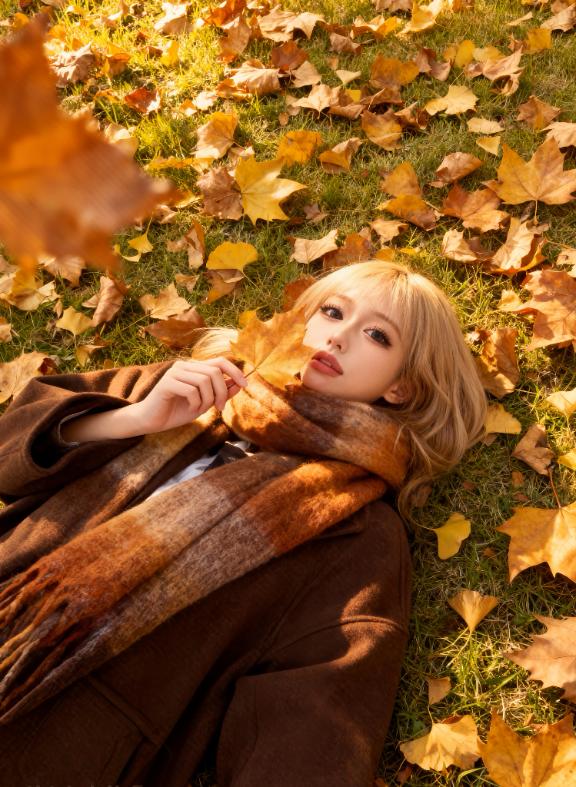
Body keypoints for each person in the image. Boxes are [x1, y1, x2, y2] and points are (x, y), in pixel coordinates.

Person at [0, 260, 486, 787]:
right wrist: (133, 418)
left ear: (400, 389)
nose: (339, 336)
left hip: (51, 737)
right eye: (331, 311)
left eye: (377, 335)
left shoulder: (359, 533)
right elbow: (9, 452)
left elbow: (315, 727)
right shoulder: (185, 387)